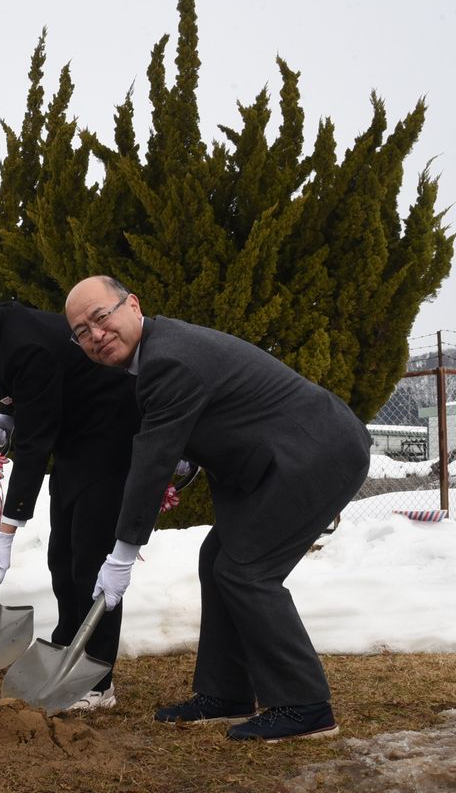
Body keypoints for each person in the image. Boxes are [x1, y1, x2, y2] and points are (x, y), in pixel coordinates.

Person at [64, 275, 372, 742]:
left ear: (132, 304)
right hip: (276, 458)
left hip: (314, 454)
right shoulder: (158, 353)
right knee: (217, 560)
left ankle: (305, 706)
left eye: (101, 318)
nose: (95, 336)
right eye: (81, 332)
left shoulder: (166, 359)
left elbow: (150, 464)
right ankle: (225, 693)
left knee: (247, 571)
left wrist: (122, 554)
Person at [0, 255, 139, 709]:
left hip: (113, 440)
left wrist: (7, 531)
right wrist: (9, 411)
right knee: (63, 562)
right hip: (78, 443)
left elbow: (34, 448)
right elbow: (38, 396)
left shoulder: (20, 342)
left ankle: (97, 682)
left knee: (89, 565)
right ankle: (68, 658)